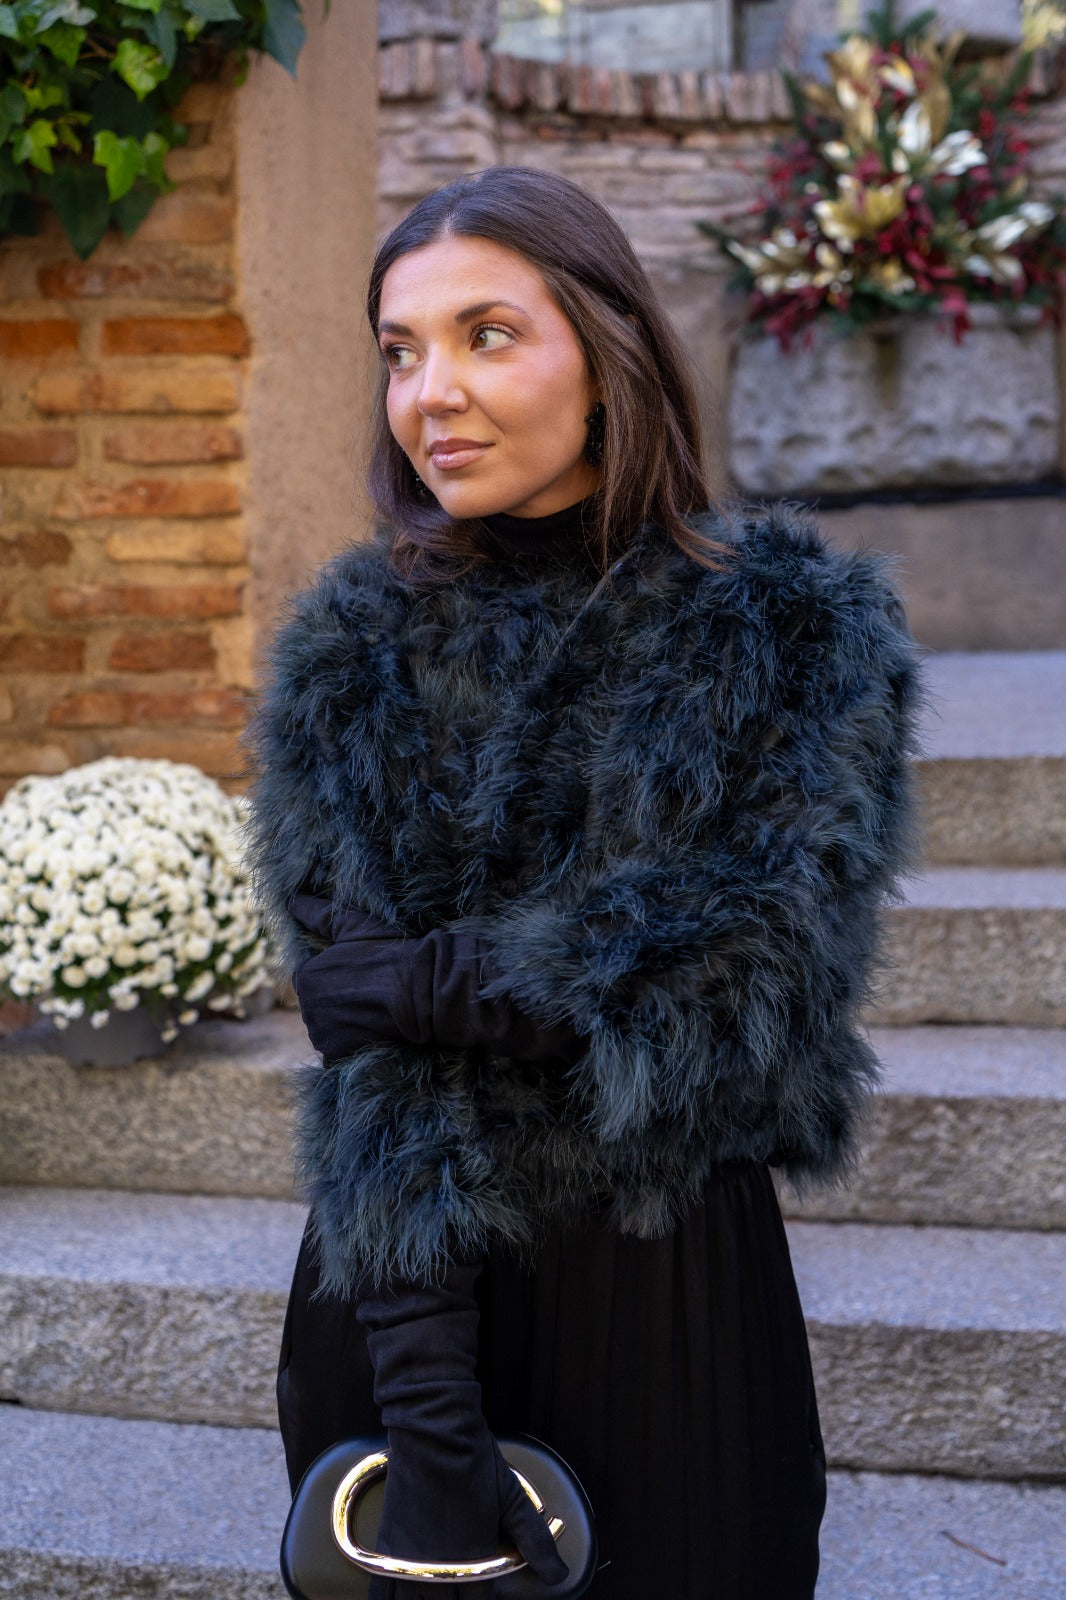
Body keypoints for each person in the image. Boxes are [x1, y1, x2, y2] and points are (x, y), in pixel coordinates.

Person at [247, 166, 922, 1600]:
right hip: (400, 1287)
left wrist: (431, 981)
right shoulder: (347, 654)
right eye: (400, 350)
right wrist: (431, 1427)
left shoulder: (791, 628)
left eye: (487, 335)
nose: (431, 392)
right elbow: (365, 1033)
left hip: (660, 1290)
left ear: (608, 356)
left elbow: (752, 973)